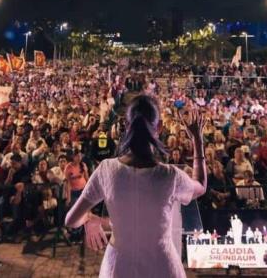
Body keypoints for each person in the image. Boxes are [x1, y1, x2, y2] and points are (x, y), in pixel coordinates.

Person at [65, 95, 207, 278]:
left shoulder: (106, 169)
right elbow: (201, 186)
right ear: (160, 127)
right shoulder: (170, 175)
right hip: (162, 266)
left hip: (118, 267)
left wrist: (89, 219)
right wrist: (197, 140)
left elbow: (71, 220)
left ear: (126, 125)